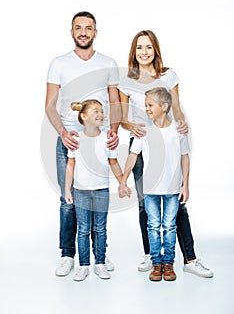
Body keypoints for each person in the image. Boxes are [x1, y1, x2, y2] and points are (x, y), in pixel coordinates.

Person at [118, 30, 213, 278]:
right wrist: (134, 127)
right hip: (142, 141)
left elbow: (176, 109)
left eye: (149, 47)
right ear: (133, 51)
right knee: (144, 203)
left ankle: (189, 259)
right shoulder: (127, 81)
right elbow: (122, 119)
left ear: (156, 50)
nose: (144, 52)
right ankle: (153, 256)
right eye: (139, 47)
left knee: (177, 202)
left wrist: (180, 125)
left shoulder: (169, 76)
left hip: (169, 140)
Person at [45, 11, 121, 276]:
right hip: (70, 139)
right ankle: (68, 255)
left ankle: (100, 255)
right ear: (72, 32)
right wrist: (63, 131)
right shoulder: (59, 63)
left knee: (97, 195)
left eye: (89, 28)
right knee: (69, 200)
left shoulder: (108, 63)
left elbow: (114, 101)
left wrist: (113, 129)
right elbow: (50, 105)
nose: (83, 32)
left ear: (95, 33)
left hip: (99, 141)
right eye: (79, 27)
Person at [119, 87, 190, 281]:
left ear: (164, 107)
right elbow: (133, 156)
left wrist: (186, 185)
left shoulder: (178, 130)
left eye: (150, 105)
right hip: (150, 188)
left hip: (172, 188)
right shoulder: (144, 131)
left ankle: (169, 264)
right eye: (145, 105)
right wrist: (123, 180)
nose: (146, 109)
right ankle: (156, 263)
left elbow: (185, 157)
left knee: (169, 226)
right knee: (153, 225)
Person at [65, 99, 128, 281]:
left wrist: (122, 183)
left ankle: (99, 263)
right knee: (83, 229)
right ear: (83, 117)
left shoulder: (107, 138)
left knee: (100, 228)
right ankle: (84, 265)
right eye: (95, 111)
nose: (101, 114)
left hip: (101, 191)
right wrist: (67, 190)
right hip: (81, 191)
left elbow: (113, 162)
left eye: (102, 111)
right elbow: (71, 165)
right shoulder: (75, 138)